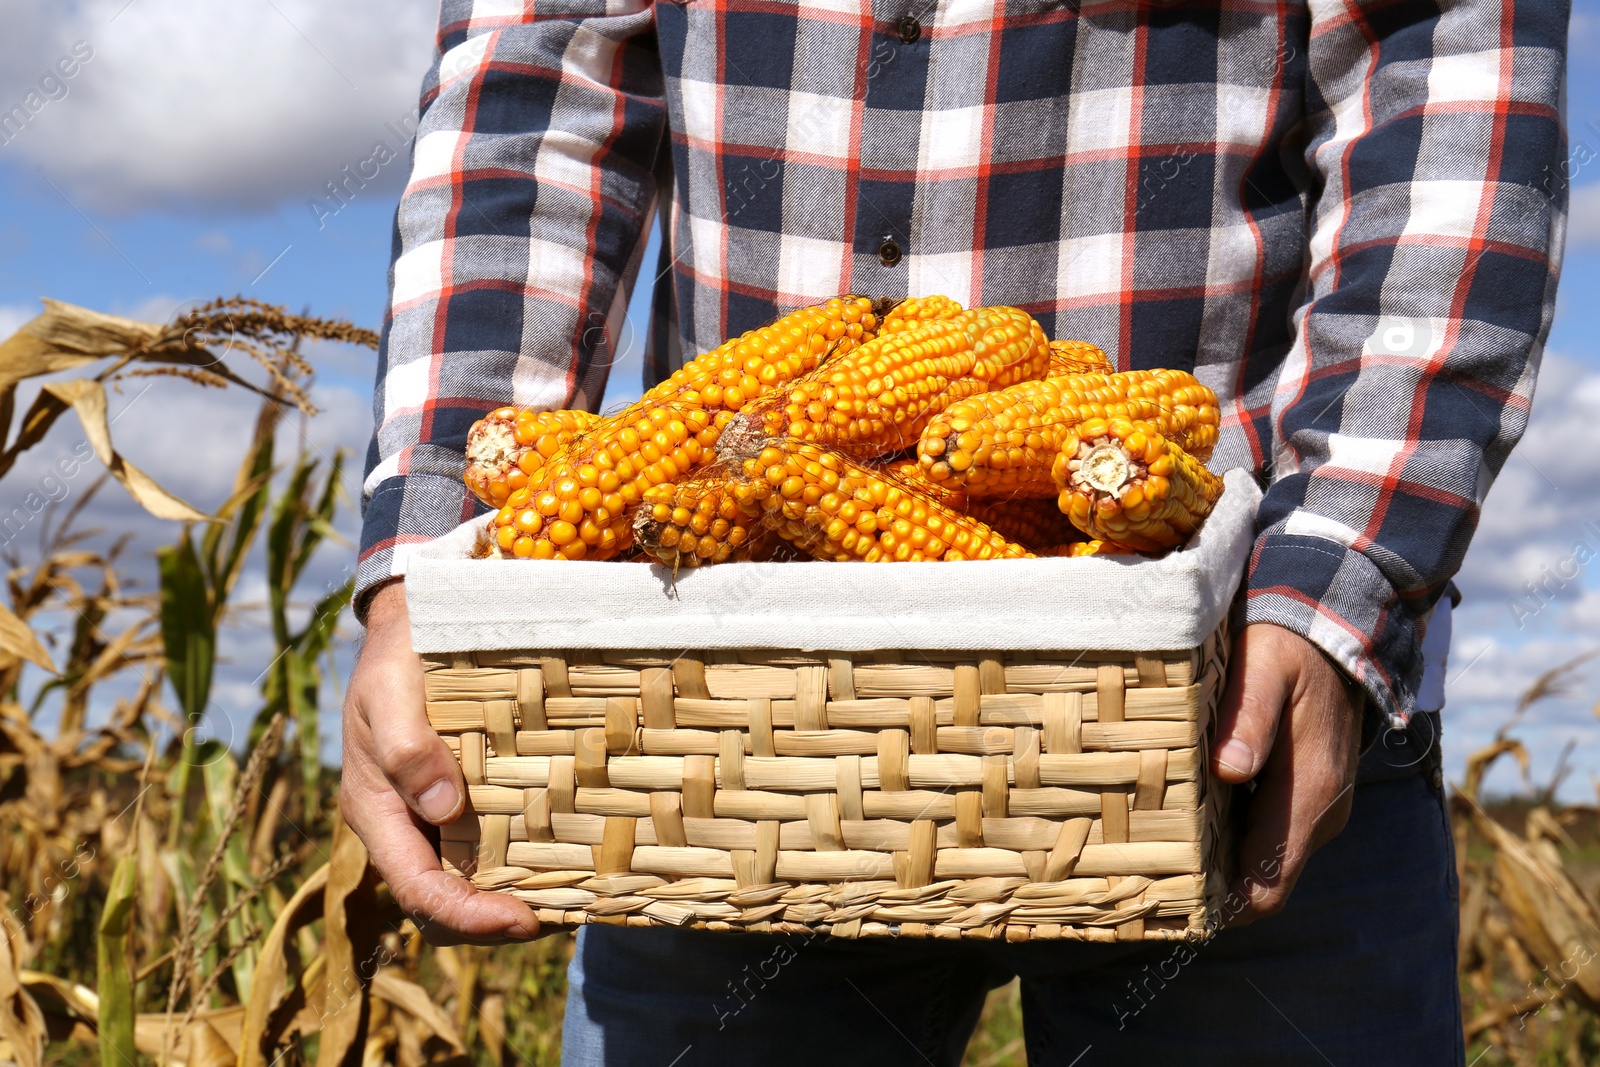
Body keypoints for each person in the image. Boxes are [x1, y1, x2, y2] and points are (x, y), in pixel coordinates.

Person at [342, 0, 1567, 1061]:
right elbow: (533, 92)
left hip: (1230, 677)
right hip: (716, 700)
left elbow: (1446, 84)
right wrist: (430, 567)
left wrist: (1338, 561)